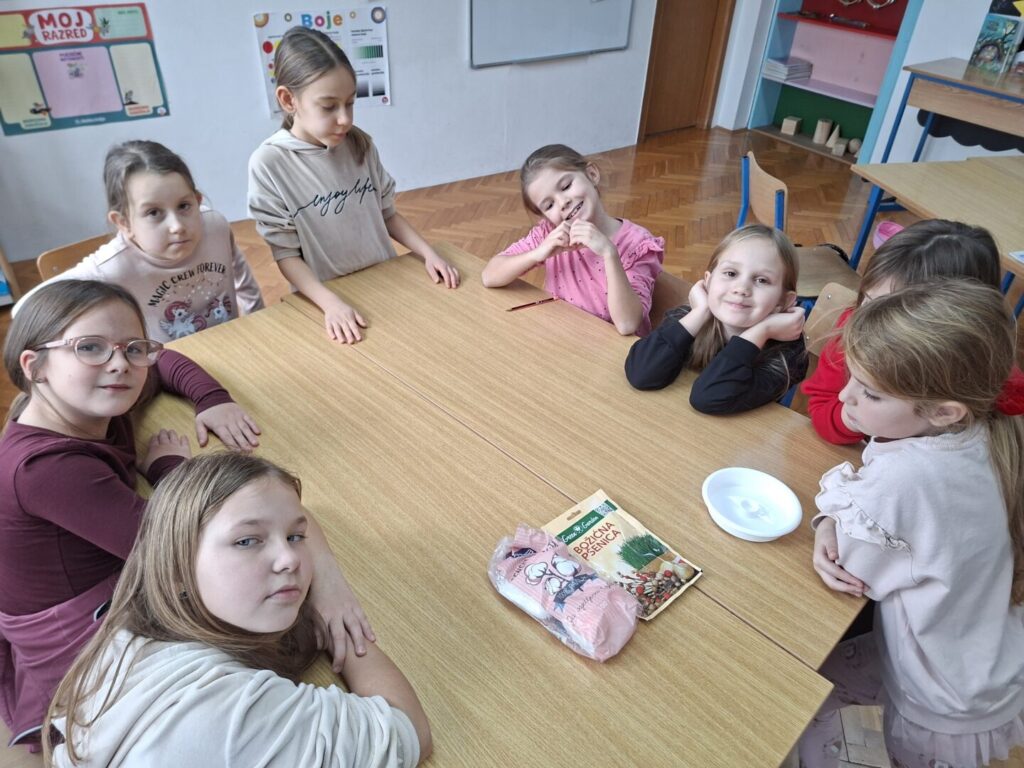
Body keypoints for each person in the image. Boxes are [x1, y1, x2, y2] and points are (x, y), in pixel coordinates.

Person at [0, 281, 369, 751]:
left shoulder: (91, 396)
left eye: (133, 347)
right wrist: (169, 470)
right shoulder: (48, 470)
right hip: (82, 630)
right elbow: (186, 543)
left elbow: (166, 361)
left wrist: (212, 398)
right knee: (282, 616)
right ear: (35, 367)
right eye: (89, 347)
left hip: (120, 562)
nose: (120, 364)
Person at [46, 453, 431, 767]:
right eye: (247, 541)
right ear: (177, 567)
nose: (290, 559)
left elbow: (292, 509)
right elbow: (406, 732)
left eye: (294, 537)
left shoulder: (136, 624)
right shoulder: (228, 716)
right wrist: (340, 628)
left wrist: (329, 582)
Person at [803, 280, 1024, 768]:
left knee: (799, 697)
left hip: (938, 699)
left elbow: (853, 566)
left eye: (869, 393)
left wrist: (827, 522)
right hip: (983, 661)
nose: (844, 395)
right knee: (808, 687)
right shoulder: (987, 430)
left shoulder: (907, 477)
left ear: (944, 412)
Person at [248, 26, 458, 345]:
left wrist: (429, 253)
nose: (345, 118)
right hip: (330, 299)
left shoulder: (360, 144)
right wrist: (331, 304)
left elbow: (387, 214)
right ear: (288, 99)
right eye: (329, 106)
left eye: (350, 103)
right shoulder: (269, 163)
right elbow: (286, 255)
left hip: (387, 280)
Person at [13, 140, 264, 343]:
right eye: (154, 213)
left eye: (184, 206)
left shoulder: (215, 226)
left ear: (197, 202)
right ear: (124, 223)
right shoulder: (112, 266)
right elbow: (24, 308)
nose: (177, 226)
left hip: (232, 346)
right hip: (170, 370)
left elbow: (243, 279)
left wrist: (259, 324)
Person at [802, 219, 1008, 444]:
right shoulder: (852, 326)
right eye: (868, 300)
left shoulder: (989, 378)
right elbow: (822, 407)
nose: (868, 320)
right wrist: (858, 414)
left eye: (891, 311)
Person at [482, 143, 664, 336]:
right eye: (549, 205)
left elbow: (627, 324)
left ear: (592, 174)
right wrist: (537, 253)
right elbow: (489, 277)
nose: (563, 202)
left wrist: (609, 253)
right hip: (563, 338)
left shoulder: (638, 244)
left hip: (615, 350)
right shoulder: (549, 233)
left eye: (566, 186)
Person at [624, 223, 806, 413]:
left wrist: (762, 330)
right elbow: (641, 373)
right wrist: (701, 311)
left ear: (784, 300)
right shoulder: (688, 317)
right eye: (731, 273)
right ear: (708, 282)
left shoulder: (787, 354)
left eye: (762, 280)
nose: (741, 289)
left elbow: (709, 397)